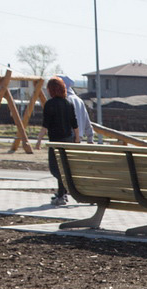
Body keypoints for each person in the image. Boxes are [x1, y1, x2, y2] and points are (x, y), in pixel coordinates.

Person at [34, 77, 78, 206]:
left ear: (51, 90)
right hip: (68, 140)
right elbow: (74, 123)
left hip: (56, 142)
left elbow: (45, 125)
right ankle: (62, 194)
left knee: (55, 169)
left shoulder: (49, 104)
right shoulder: (68, 103)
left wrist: (39, 140)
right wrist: (77, 138)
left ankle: (62, 194)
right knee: (64, 167)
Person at [59, 75, 94, 143]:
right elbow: (87, 121)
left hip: (66, 136)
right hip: (78, 136)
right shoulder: (79, 100)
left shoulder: (64, 100)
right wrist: (90, 137)